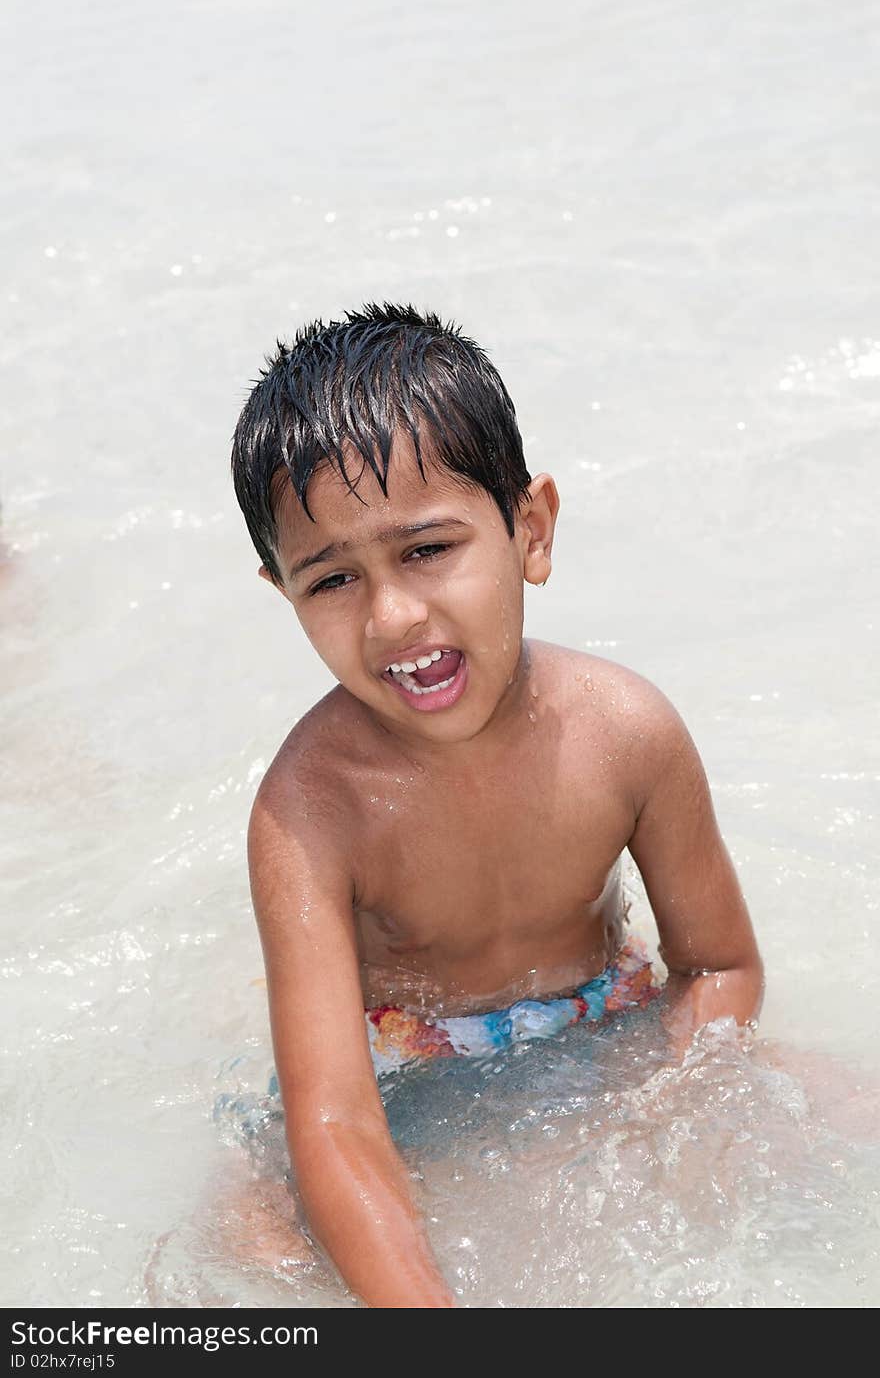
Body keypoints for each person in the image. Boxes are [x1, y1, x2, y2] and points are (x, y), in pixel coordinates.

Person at [230, 302, 763, 1307]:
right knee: (244, 1260)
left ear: (530, 528)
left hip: (605, 1024)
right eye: (333, 578)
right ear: (282, 592)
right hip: (403, 1076)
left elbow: (719, 965)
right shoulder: (309, 812)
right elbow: (335, 1122)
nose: (392, 615)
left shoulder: (626, 731)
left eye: (427, 549)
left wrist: (673, 1111)